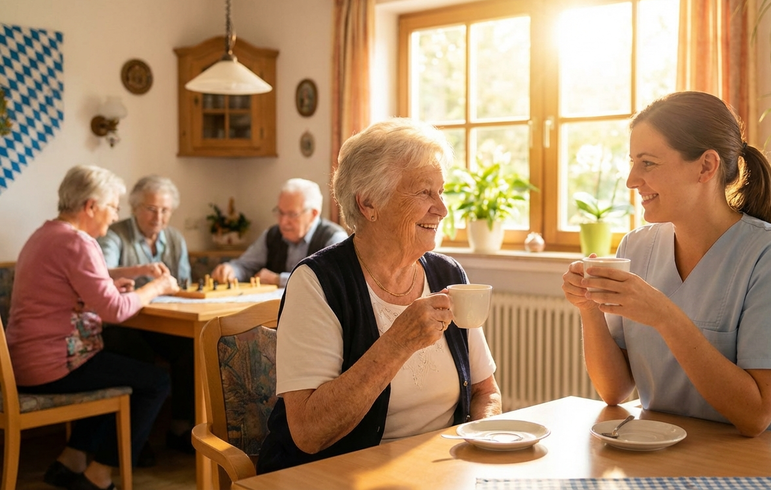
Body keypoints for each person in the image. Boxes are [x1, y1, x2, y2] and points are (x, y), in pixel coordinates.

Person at [561, 91, 771, 438]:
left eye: (648, 163)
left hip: (766, 460)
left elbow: (756, 415)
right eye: (632, 162)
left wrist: (664, 316)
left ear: (706, 166)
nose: (631, 180)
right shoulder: (635, 247)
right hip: (665, 450)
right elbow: (615, 389)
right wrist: (589, 307)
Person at [257, 118, 503, 472]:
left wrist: (483, 444)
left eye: (441, 191)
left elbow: (486, 392)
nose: (442, 209)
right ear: (369, 203)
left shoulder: (448, 275)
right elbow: (308, 433)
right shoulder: (317, 282)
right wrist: (397, 343)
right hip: (337, 474)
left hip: (437, 470)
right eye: (423, 192)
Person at [6, 165, 179, 490]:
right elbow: (114, 310)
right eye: (112, 207)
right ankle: (98, 475)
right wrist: (155, 287)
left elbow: (89, 278)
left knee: (115, 363)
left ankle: (70, 461)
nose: (114, 216)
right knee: (155, 381)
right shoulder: (77, 243)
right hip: (53, 366)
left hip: (27, 361)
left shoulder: (47, 233)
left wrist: (138, 271)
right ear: (91, 206)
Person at [97, 175, 195, 455]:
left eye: (165, 210)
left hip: (163, 323)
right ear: (135, 207)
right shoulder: (115, 234)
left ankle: (179, 427)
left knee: (189, 349)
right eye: (151, 209)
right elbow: (100, 274)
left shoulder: (174, 238)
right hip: (122, 322)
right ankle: (135, 442)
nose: (158, 217)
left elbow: (183, 281)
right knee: (137, 354)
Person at [210, 178, 347, 287]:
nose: (283, 221)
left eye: (292, 214)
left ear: (313, 214)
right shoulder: (272, 235)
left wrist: (278, 279)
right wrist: (231, 270)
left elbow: (332, 281)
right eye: (280, 213)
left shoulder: (334, 239)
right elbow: (245, 265)